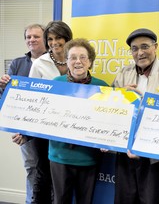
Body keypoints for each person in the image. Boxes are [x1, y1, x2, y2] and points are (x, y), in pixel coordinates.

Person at [112, 28, 159, 204]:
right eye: (134, 48)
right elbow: (112, 108)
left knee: (152, 199)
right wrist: (122, 97)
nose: (140, 53)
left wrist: (142, 101)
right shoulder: (123, 73)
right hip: (125, 151)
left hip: (153, 156)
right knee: (124, 199)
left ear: (155, 47)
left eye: (145, 47)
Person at [49, 38, 108, 204]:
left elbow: (109, 121)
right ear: (66, 61)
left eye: (83, 57)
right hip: (59, 156)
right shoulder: (55, 84)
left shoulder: (103, 87)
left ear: (90, 61)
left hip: (88, 157)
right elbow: (42, 117)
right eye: (73, 57)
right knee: (60, 201)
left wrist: (108, 140)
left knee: (85, 201)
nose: (78, 62)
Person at [26, 20, 73, 203]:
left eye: (59, 38)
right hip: (43, 128)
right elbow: (32, 96)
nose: (55, 43)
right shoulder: (39, 64)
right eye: (51, 39)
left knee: (63, 176)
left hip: (69, 125)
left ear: (67, 39)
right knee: (43, 172)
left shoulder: (76, 59)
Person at [0, 23, 47, 204]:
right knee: (32, 168)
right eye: (28, 37)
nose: (31, 40)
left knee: (50, 171)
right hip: (25, 129)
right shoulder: (18, 63)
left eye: (36, 36)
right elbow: (8, 98)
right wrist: (2, 86)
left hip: (49, 128)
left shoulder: (55, 62)